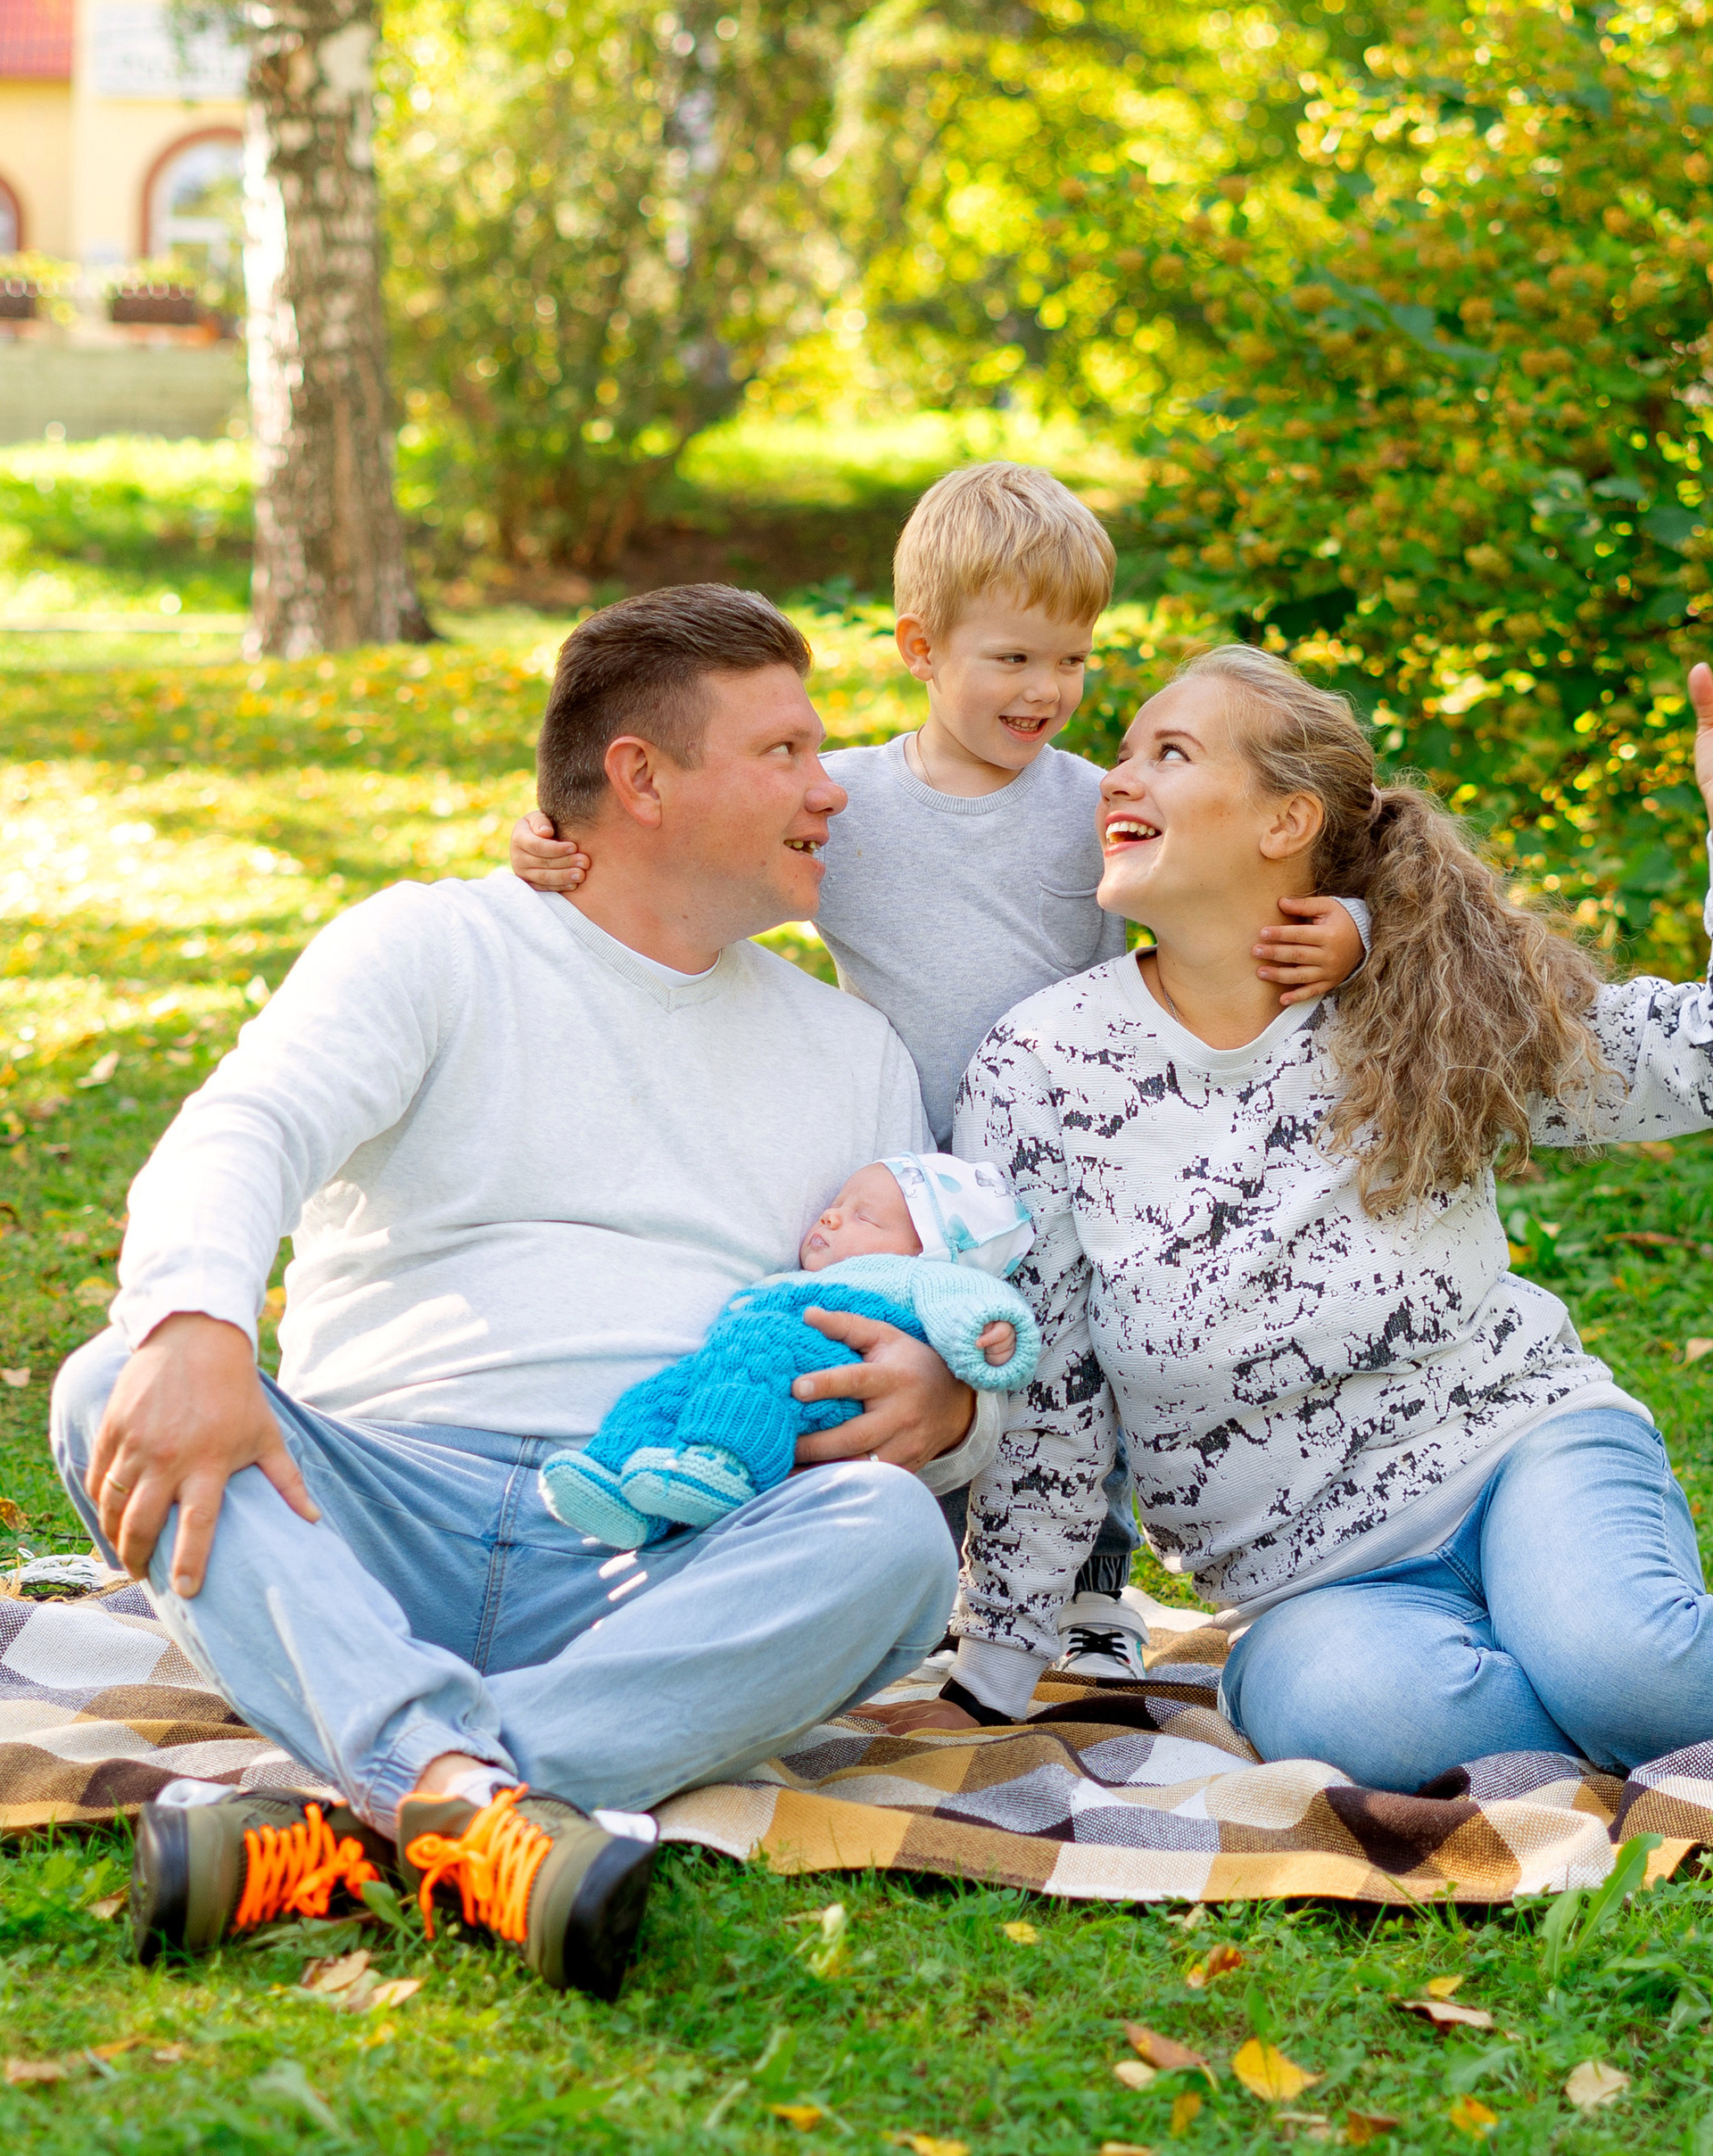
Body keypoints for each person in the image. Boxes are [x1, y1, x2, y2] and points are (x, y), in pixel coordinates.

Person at [49, 585, 990, 2000]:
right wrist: (196, 1326)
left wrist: (944, 1406)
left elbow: (919, 1320)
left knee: (892, 1538)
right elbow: (247, 1127)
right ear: (641, 779)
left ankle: (394, 1805)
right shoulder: (434, 946)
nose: (830, 792)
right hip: (366, 1517)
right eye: (787, 752)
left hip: (650, 1550)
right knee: (105, 1380)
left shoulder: (849, 1052)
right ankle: (475, 1804)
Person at [916, 621, 1713, 1793]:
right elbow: (1053, 1383)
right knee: (1396, 1738)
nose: (1117, 776)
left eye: (1170, 752)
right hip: (1311, 1583)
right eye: (1123, 752)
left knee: (1621, 1659)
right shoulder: (1041, 1062)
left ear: (1286, 823)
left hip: (1517, 1450)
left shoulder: (1423, 1005)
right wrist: (1005, 1644)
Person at [514, 462, 1370, 1681]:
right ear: (922, 644)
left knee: (1078, 1362)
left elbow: (1258, 876)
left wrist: (1352, 926)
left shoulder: (1098, 805)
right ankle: (898, 1572)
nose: (1049, 691)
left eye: (1071, 659)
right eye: (1013, 658)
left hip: (1082, 1143)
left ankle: (1086, 1590)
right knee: (909, 1364)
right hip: (905, 1164)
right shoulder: (846, 802)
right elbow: (695, 845)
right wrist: (549, 837)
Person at [539, 1152, 1039, 1549]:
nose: (832, 1216)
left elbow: (980, 1304)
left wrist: (992, 1336)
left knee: (761, 1341)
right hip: (765, 1372)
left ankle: (727, 1463)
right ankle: (619, 1481)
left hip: (832, 1371)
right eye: (837, 1205)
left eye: (863, 1216)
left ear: (928, 1248)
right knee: (668, 1389)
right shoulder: (798, 1279)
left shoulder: (918, 1275)